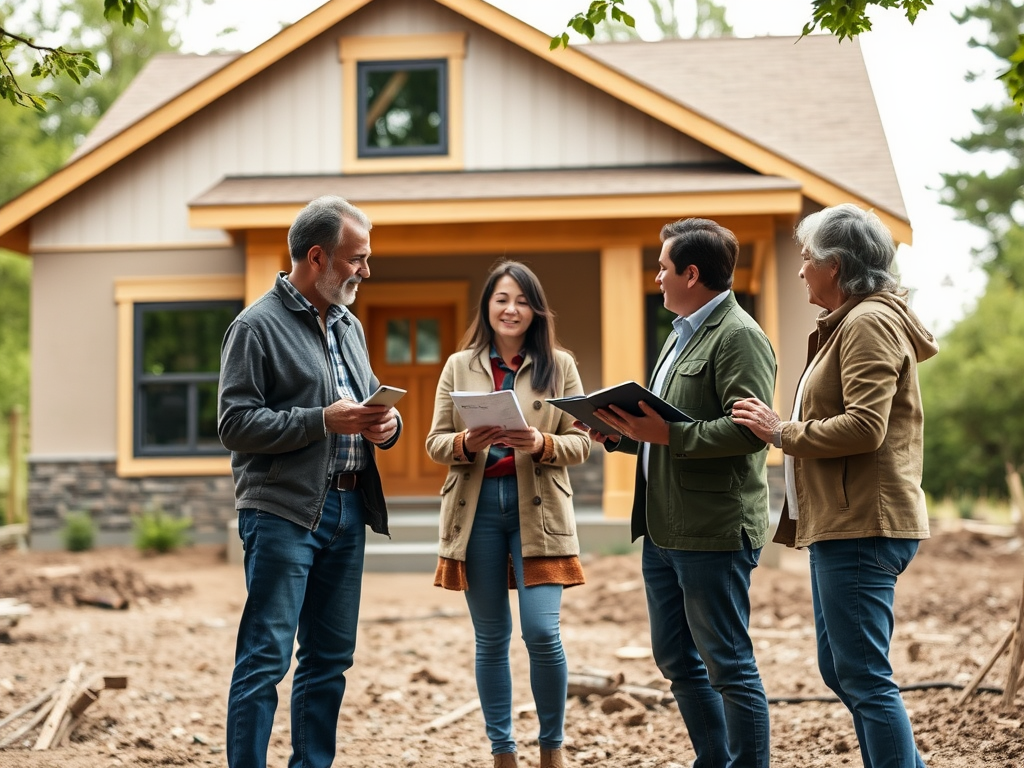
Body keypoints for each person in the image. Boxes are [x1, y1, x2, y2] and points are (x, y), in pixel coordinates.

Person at [732, 203, 937, 768]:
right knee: (842, 670)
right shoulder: (852, 321)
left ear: (837, 265)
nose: (800, 269)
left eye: (807, 258)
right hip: (842, 524)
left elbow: (866, 428)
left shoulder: (869, 322)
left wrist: (782, 431)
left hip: (864, 525)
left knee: (865, 678)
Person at [581, 218, 776, 768]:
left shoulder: (739, 338)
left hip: (712, 531)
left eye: (664, 268)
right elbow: (663, 428)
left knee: (728, 664)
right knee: (675, 657)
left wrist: (669, 434)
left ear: (692, 273)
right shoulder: (680, 332)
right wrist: (621, 438)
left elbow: (748, 432)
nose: (658, 277)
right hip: (665, 529)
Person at [218, 195, 402, 768]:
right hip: (282, 514)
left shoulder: (349, 325)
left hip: (348, 512)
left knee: (329, 659)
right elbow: (235, 424)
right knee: (266, 658)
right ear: (318, 257)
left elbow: (366, 405)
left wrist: (387, 426)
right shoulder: (254, 327)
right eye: (357, 259)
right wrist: (323, 420)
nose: (365, 271)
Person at [425, 260, 591, 768]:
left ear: (535, 310)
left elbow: (583, 442)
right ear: (488, 306)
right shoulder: (459, 365)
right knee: (491, 637)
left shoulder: (559, 365)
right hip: (475, 515)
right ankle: (502, 752)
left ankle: (552, 747)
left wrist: (542, 442)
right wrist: (465, 442)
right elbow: (434, 443)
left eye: (521, 300)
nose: (511, 309)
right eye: (502, 298)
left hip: (537, 514)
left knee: (542, 631)